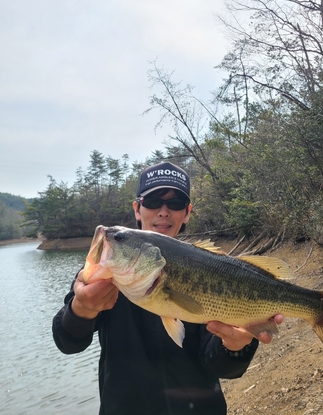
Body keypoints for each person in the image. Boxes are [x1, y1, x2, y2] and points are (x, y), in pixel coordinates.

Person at [52, 161, 283, 415]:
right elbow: (68, 342)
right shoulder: (103, 275)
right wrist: (80, 309)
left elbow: (224, 368)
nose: (164, 212)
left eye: (175, 204)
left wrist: (236, 346)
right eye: (152, 202)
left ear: (187, 213)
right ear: (137, 209)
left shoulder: (209, 267)